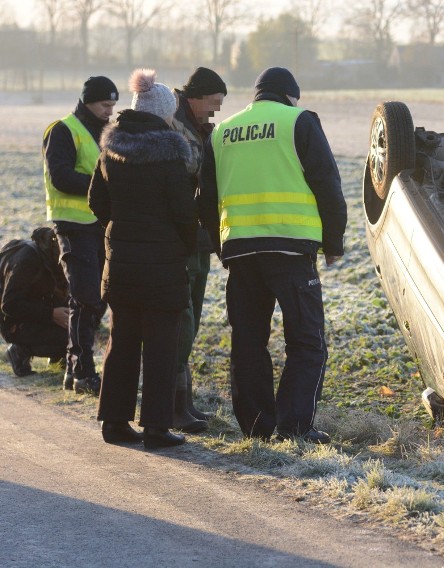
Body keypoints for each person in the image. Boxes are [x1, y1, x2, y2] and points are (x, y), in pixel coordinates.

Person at [198, 67, 347, 443]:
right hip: (291, 250)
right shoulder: (299, 121)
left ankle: (256, 428)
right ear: (291, 96)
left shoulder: (222, 131)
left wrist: (222, 246)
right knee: (306, 340)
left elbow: (206, 199)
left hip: (241, 252)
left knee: (247, 342)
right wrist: (333, 244)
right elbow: (328, 184)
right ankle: (295, 426)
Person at [88, 69, 197, 449]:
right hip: (163, 266)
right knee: (161, 346)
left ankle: (113, 424)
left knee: (122, 343)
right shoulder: (170, 156)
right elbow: (185, 214)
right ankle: (155, 427)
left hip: (119, 264)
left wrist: (121, 232)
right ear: (163, 113)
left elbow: (95, 202)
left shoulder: (110, 151)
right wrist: (185, 245)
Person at [43, 76, 118, 394]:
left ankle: (75, 368)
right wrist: (99, 187)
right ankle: (82, 370)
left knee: (96, 299)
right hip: (72, 225)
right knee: (85, 297)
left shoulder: (106, 132)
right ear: (88, 101)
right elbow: (60, 176)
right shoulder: (62, 130)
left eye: (113, 105)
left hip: (98, 226)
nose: (109, 111)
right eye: (105, 104)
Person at [170, 67, 227, 432]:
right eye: (214, 103)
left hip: (198, 241)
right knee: (181, 325)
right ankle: (174, 406)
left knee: (191, 323)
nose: (217, 111)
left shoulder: (198, 128)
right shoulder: (174, 129)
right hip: (180, 242)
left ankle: (184, 402)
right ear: (195, 98)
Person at [1, 227, 69, 377]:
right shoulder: (28, 260)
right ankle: (20, 350)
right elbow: (9, 305)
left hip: (37, 312)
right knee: (69, 339)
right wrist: (51, 314)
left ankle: (57, 356)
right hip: (12, 323)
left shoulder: (52, 258)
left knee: (79, 331)